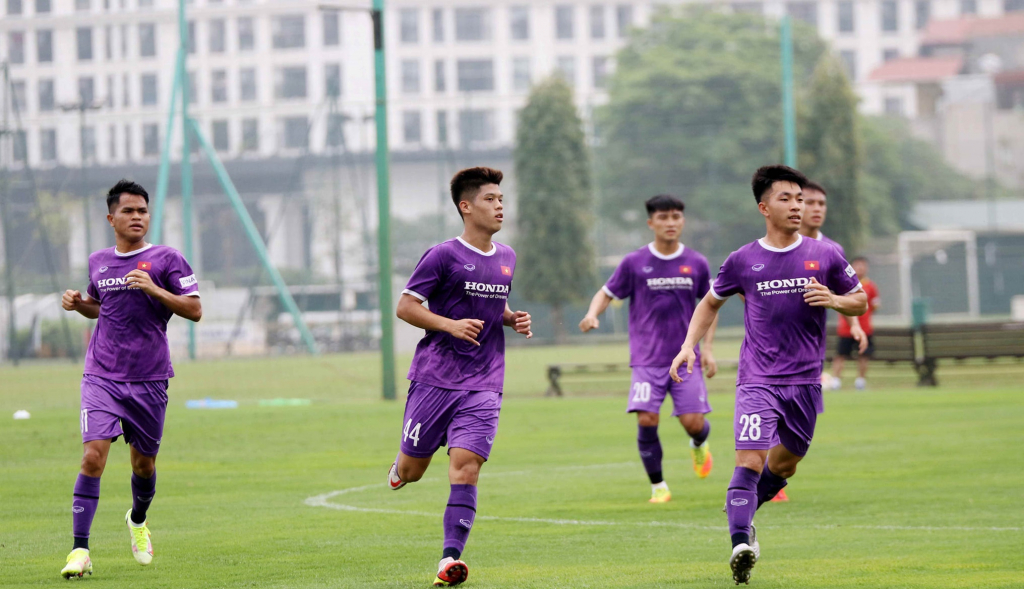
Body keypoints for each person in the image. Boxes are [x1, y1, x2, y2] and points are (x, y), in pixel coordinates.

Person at [670, 165, 866, 584]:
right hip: (758, 378)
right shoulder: (743, 260)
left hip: (806, 383)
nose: (797, 206)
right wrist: (688, 346)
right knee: (750, 458)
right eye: (786, 199)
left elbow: (860, 301)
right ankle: (741, 541)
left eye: (800, 198)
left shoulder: (826, 254)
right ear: (764, 207)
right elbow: (709, 303)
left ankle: (744, 511)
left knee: (787, 464)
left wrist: (833, 299)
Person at [386, 167, 532, 587]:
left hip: (485, 381)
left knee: (466, 468)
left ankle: (449, 560)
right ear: (466, 207)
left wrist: (510, 319)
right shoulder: (442, 255)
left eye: (501, 198)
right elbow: (406, 308)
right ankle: (400, 463)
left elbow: (490, 307)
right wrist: (449, 325)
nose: (499, 205)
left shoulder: (507, 257)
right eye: (490, 199)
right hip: (434, 377)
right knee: (413, 471)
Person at [60, 180, 202, 579]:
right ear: (111, 218)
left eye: (142, 210)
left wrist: (155, 290)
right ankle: (80, 550)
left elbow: (194, 310)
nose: (137, 217)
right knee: (93, 457)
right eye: (128, 211)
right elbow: (100, 309)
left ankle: (137, 520)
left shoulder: (167, 258)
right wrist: (79, 304)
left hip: (150, 379)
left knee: (143, 466)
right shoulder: (98, 261)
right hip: (101, 375)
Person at [579, 194, 717, 504]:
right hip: (646, 360)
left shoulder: (696, 262)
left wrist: (706, 348)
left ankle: (699, 443)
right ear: (651, 222)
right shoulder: (634, 262)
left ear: (683, 221)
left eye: (676, 217)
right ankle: (659, 487)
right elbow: (606, 292)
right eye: (664, 217)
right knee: (646, 419)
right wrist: (592, 314)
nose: (670, 223)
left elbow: (711, 305)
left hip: (685, 359)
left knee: (693, 423)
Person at [831, 257, 881, 391]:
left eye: (863, 266)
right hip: (846, 329)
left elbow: (875, 305)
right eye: (857, 265)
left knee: (863, 355)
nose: (860, 268)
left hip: (865, 328)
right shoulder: (844, 283)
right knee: (841, 355)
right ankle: (836, 381)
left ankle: (860, 381)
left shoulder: (871, 286)